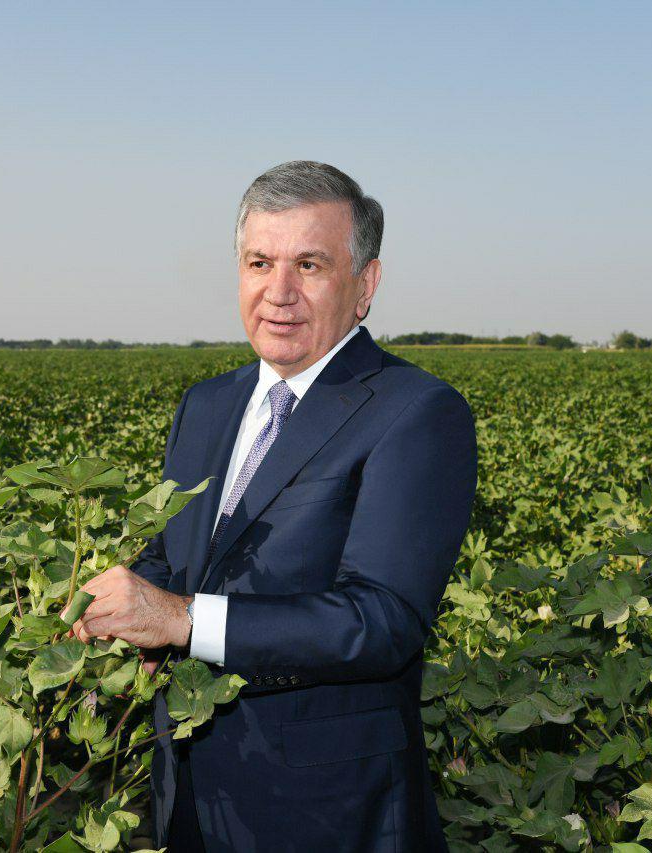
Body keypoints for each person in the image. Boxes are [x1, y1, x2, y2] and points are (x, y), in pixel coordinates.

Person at [71, 160, 477, 852]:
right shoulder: (205, 405)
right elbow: (178, 555)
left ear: (365, 285)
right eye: (261, 262)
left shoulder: (417, 412)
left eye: (310, 265)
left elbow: (380, 620)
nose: (279, 292)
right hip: (191, 797)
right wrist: (114, 603)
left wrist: (180, 619)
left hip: (327, 816)